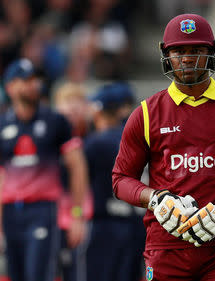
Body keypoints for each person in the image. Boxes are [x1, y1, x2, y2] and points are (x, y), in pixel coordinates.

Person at [112, 14, 215, 281]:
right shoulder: (146, 113)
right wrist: (156, 199)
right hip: (166, 246)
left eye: (196, 50)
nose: (187, 59)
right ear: (166, 54)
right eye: (179, 51)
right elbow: (121, 180)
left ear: (212, 51)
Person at [0, 58, 89, 281]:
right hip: (10, 211)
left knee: (38, 274)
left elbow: (77, 167)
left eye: (35, 80)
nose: (33, 85)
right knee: (15, 275)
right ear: (10, 87)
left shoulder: (55, 121)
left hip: (42, 210)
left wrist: (77, 214)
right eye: (26, 80)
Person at [85, 84, 145, 281]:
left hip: (107, 224)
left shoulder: (97, 143)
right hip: (139, 223)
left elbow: (71, 179)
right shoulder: (143, 139)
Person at [53, 82, 93, 281]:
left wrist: (78, 215)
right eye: (67, 102)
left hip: (84, 217)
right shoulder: (49, 140)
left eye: (77, 102)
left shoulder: (93, 140)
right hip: (54, 216)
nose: (72, 108)